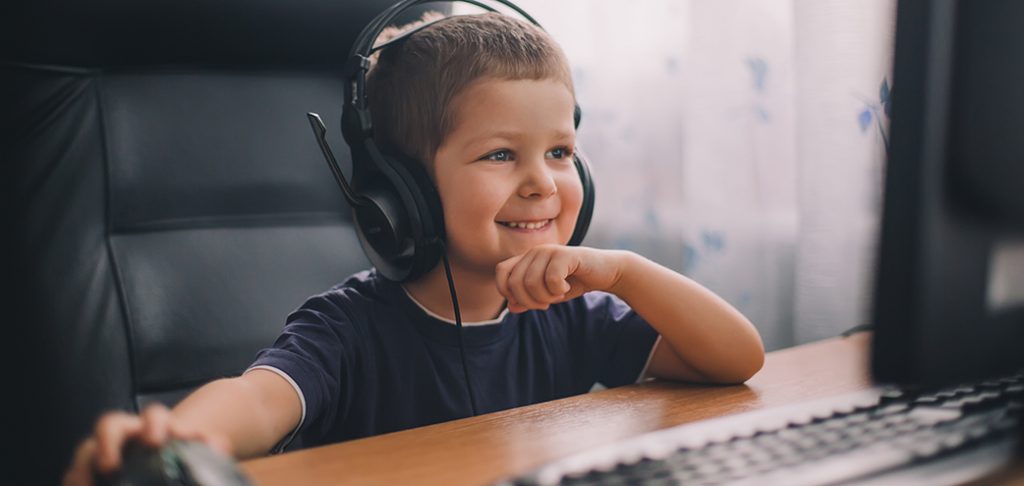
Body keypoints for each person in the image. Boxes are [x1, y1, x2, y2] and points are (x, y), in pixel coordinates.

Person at [63, 10, 764, 485]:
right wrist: (174, 437)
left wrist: (623, 271)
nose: (541, 184)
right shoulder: (347, 328)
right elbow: (254, 401)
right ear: (403, 194)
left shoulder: (567, 312)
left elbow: (737, 358)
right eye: (499, 155)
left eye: (559, 152)